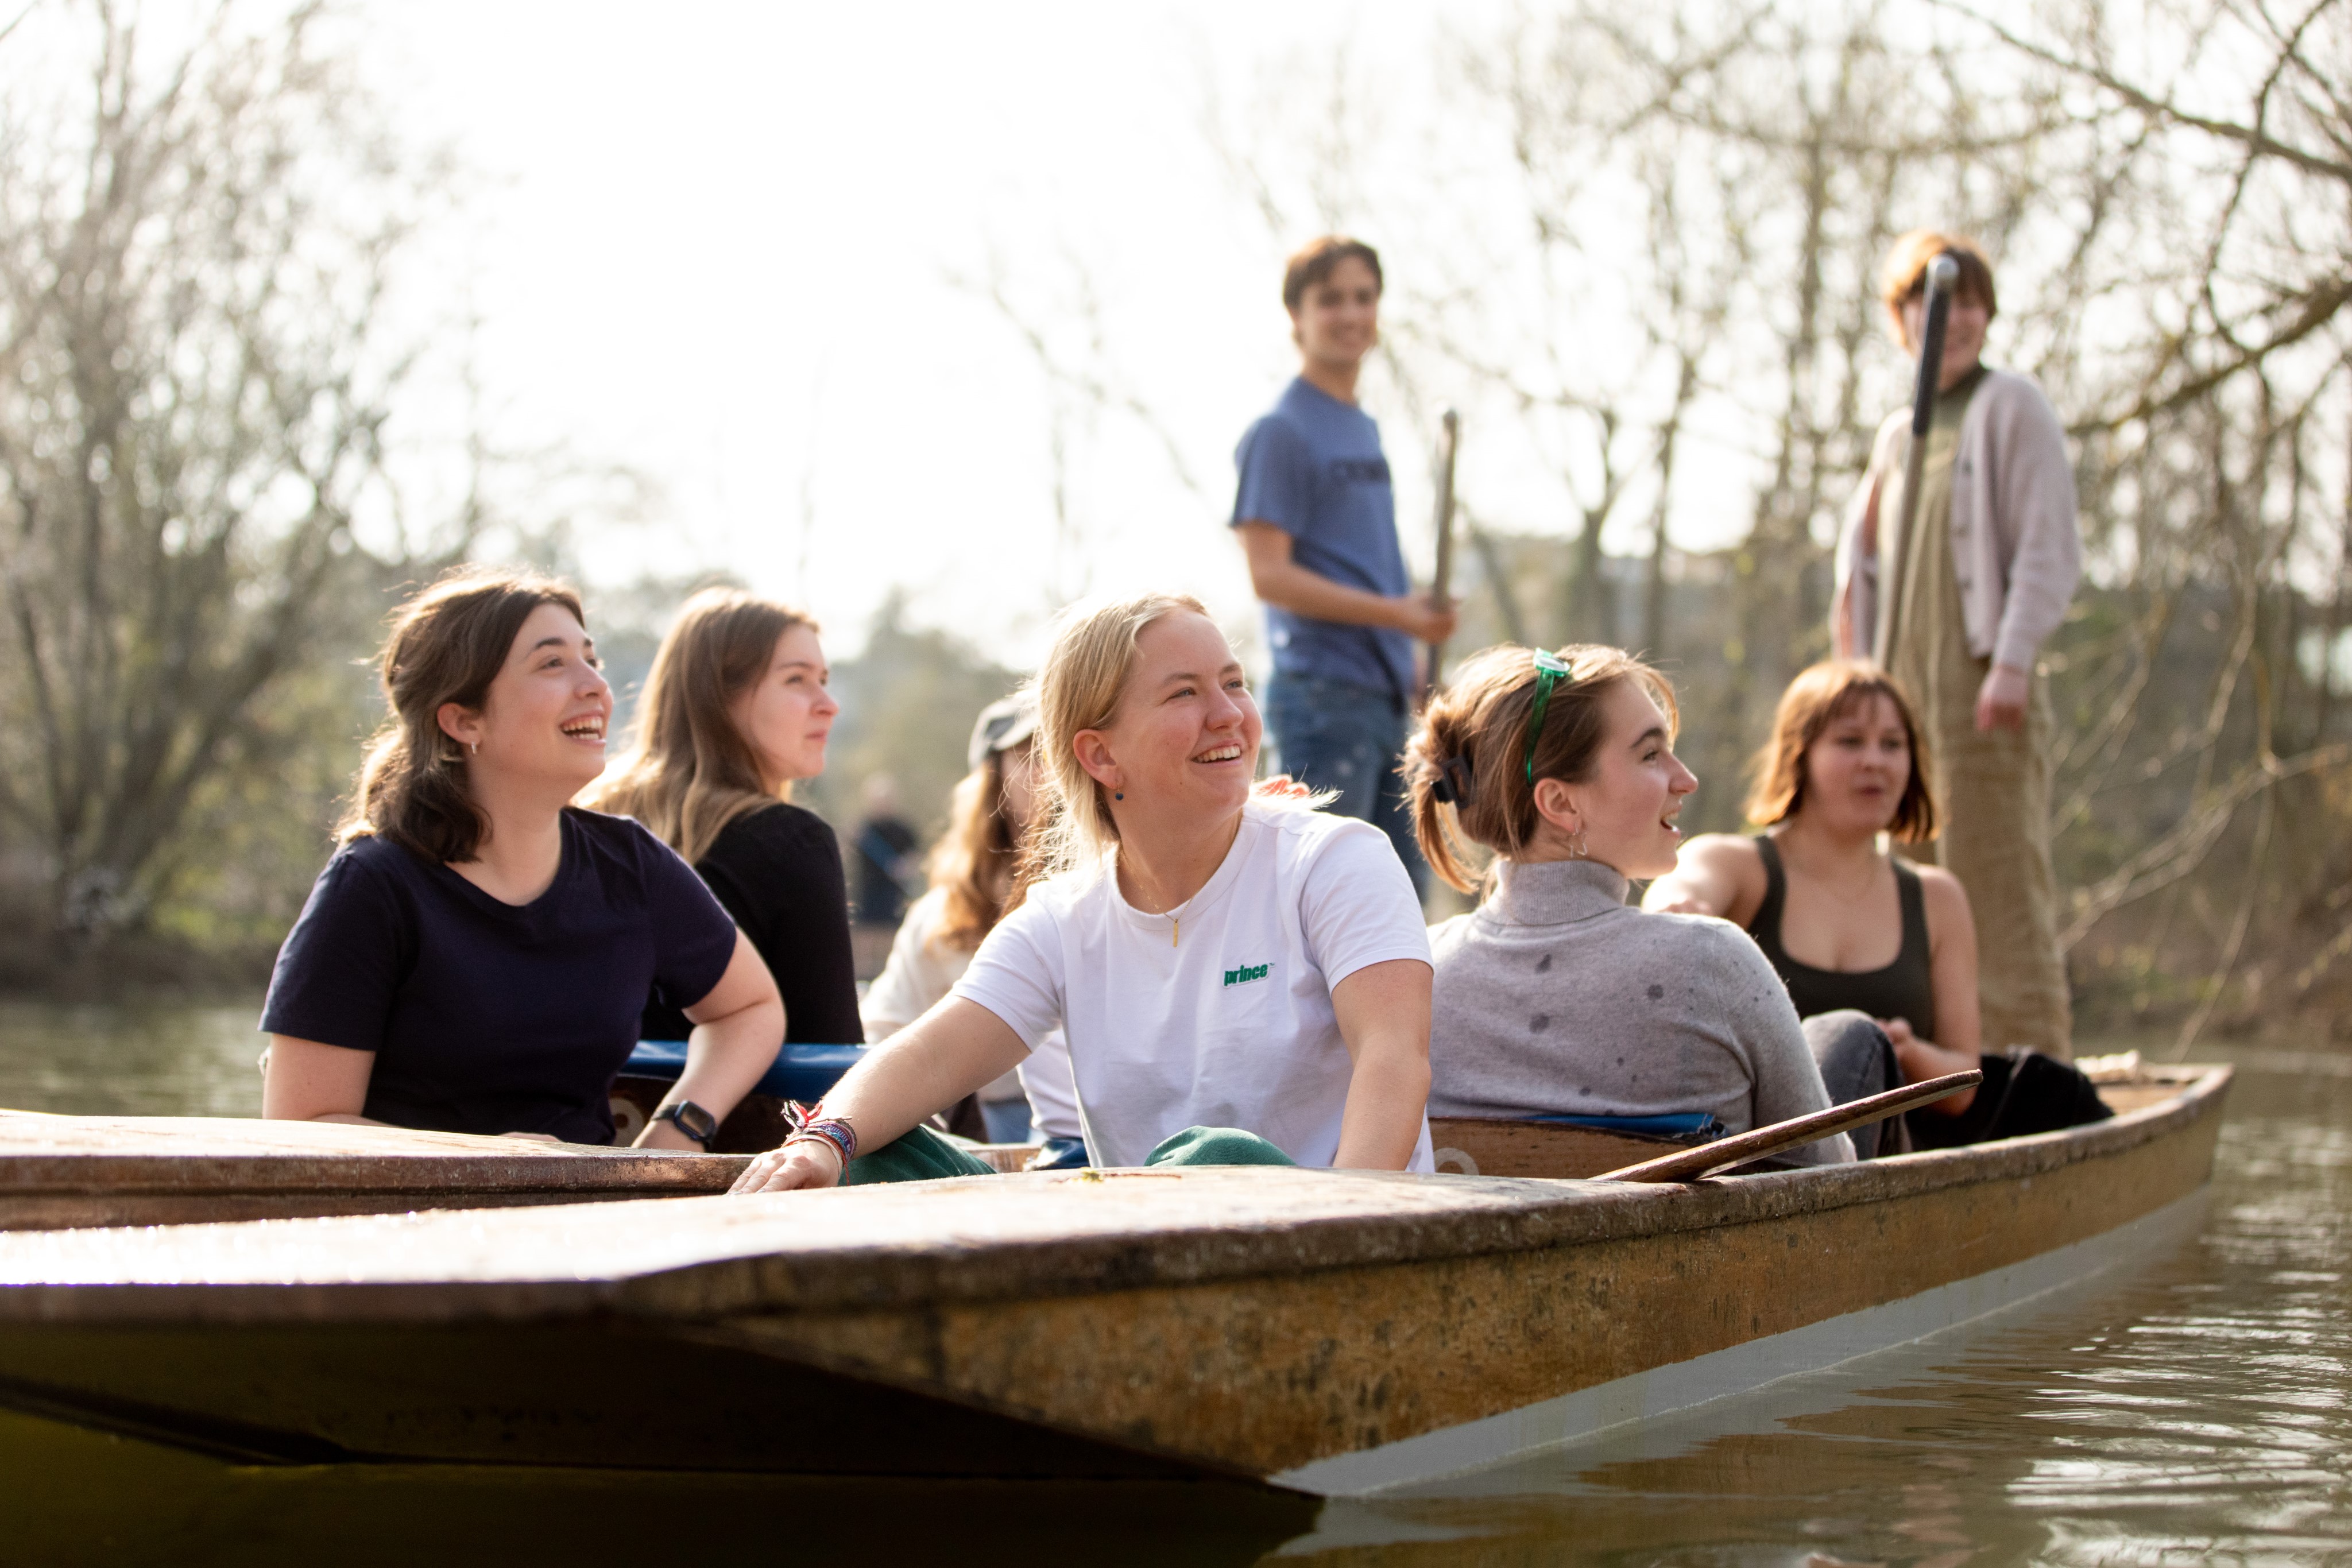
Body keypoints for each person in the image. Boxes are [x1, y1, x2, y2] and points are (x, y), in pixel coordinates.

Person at [729, 593, 1437, 1193]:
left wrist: (1342, 1228)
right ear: (1099, 754)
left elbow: (1393, 1056)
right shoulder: (1062, 918)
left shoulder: (1336, 860)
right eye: (1185, 692)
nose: (1228, 713)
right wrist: (822, 1142)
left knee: (1215, 1161)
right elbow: (930, 1055)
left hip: (1320, 1245)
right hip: (1131, 1256)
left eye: (1234, 682)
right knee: (867, 1154)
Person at [259, 568, 783, 1148]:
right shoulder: (372, 885)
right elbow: (300, 1127)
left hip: (594, 1222)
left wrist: (680, 1125)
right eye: (552, 663)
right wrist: (487, 1159)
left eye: (593, 661)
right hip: (414, 1229)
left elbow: (751, 1007)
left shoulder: (632, 864)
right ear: (464, 720)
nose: (596, 687)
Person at [1406, 644, 1856, 1164]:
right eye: (1650, 754)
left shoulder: (1419, 974)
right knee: (1850, 1037)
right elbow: (1830, 1177)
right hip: (1700, 1247)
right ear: (1560, 803)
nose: (1686, 778)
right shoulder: (1713, 962)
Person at [1646, 661, 2111, 1149]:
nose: (1875, 761)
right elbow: (1683, 881)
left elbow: (1962, 1084)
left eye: (1892, 744)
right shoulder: (1742, 864)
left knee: (1858, 1040)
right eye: (1850, 741)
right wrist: (1679, 904)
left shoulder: (1937, 897)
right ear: (1800, 754)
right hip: (1747, 1148)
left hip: (1888, 1161)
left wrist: (1906, 1051)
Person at [1835, 230, 2082, 1058]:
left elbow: (2050, 546)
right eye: (1939, 300)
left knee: (1994, 880)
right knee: (1909, 884)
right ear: (1903, 317)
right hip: (1901, 705)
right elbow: (1863, 571)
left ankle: (2026, 1065)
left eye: (1973, 300)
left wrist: (2011, 662)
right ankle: (1938, 1068)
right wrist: (1860, 684)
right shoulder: (1898, 436)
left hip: (1981, 692)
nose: (1958, 316)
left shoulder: (2011, 404)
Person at [1231, 235, 1456, 891]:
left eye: (1364, 297)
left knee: (1397, 907)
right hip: (1323, 699)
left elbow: (1362, 561)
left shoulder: (1362, 427)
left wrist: (1403, 657)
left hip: (1382, 698)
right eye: (1330, 299)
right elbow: (1268, 576)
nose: (1351, 313)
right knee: (1323, 905)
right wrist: (1397, 615)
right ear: (1296, 316)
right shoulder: (1280, 430)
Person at [582, 587, 863, 1051]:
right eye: (797, 680)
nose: (827, 704)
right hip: (728, 1122)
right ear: (719, 696)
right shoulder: (792, 843)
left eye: (825, 680)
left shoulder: (582, 819)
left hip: (580, 1120)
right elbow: (830, 1056)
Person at [861, 691, 1084, 1152]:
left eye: (1064, 749)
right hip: (986, 1133)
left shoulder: (1124, 886)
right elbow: (880, 1034)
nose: (1055, 770)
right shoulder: (940, 916)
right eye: (1032, 755)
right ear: (992, 779)